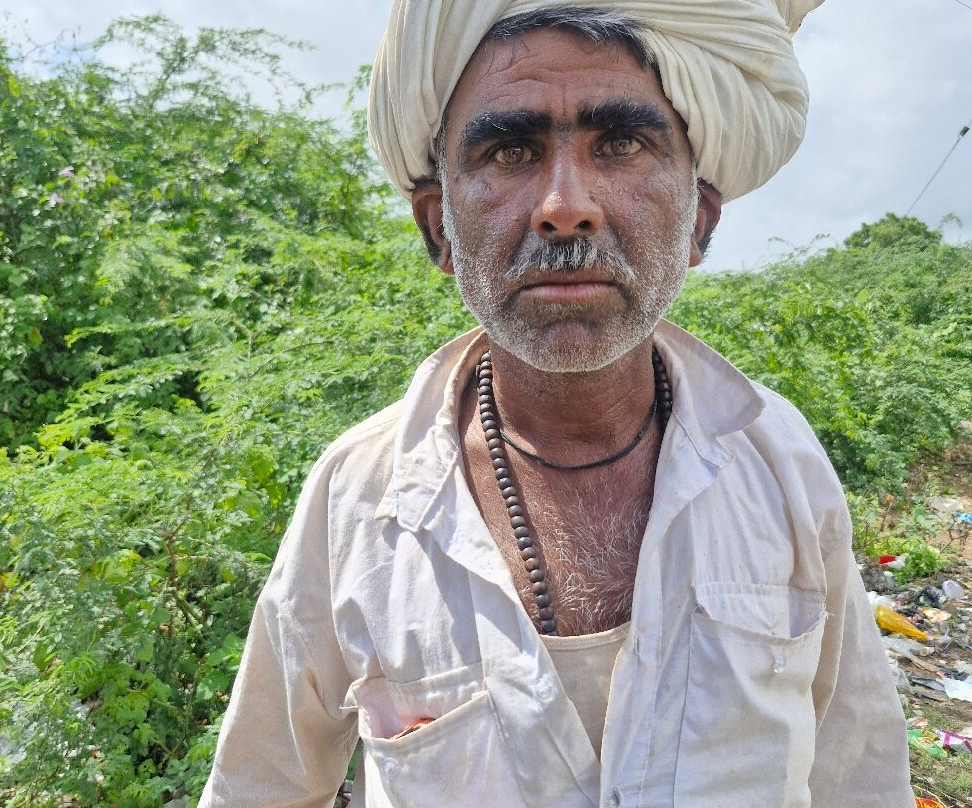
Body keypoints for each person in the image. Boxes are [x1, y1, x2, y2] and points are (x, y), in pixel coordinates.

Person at [199, 3, 914, 807]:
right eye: (510, 149)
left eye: (621, 143)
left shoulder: (776, 458)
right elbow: (260, 786)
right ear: (438, 227)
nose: (564, 205)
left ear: (698, 225)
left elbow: (858, 770)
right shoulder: (357, 496)